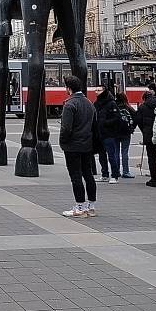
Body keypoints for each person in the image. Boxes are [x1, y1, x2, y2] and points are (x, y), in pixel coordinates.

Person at [59, 76, 99, 218]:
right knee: (88, 175)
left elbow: (66, 129)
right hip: (87, 145)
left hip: (73, 146)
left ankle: (79, 206)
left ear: (69, 89)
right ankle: (91, 206)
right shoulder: (89, 103)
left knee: (75, 176)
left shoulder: (70, 105)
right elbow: (94, 126)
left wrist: (63, 142)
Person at [94, 86, 122, 184]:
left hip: (109, 133)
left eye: (99, 90)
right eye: (96, 90)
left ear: (104, 91)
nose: (96, 92)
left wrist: (105, 123)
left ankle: (115, 175)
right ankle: (104, 174)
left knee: (111, 155)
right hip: (100, 133)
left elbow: (117, 118)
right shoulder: (96, 103)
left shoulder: (111, 103)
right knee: (102, 155)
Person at [134, 90, 156, 187]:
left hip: (149, 134)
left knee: (152, 157)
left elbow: (138, 121)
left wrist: (144, 130)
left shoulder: (142, 107)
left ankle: (153, 178)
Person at [115, 92, 136, 179]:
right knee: (125, 152)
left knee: (116, 152)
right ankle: (126, 171)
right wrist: (132, 128)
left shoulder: (114, 106)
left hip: (115, 132)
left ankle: (116, 171)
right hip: (126, 132)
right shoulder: (128, 107)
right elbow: (136, 117)